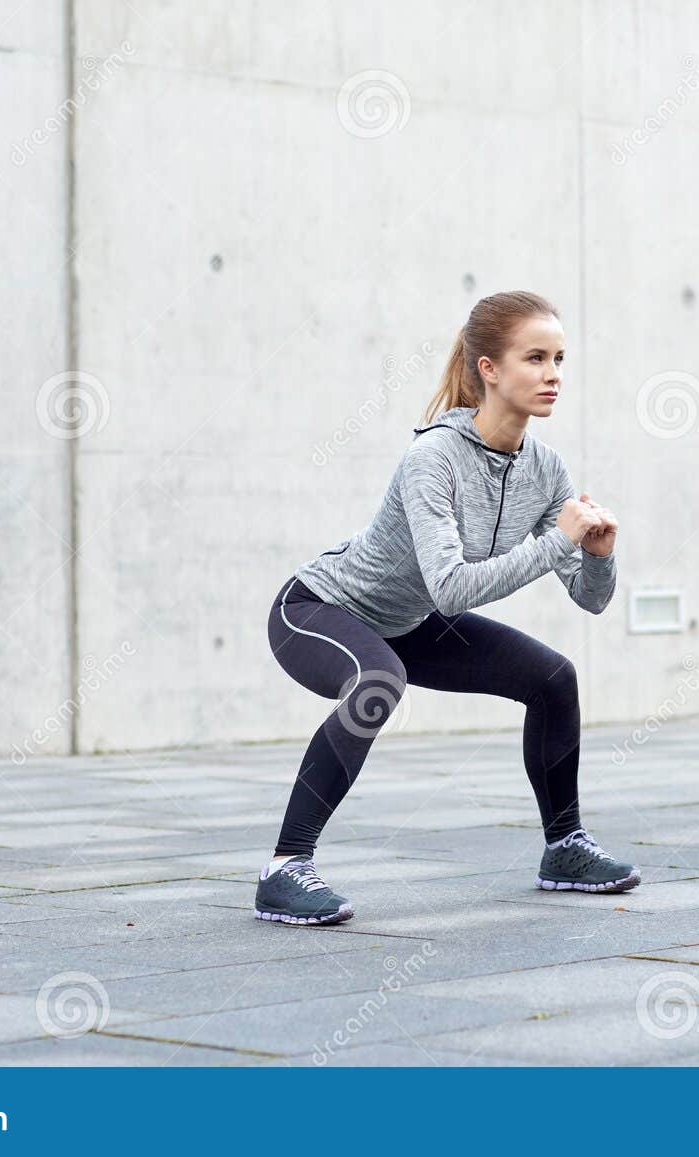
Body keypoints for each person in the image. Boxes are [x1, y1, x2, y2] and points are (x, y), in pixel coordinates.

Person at [256, 290, 641, 925]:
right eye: (535, 358)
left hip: (408, 623)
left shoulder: (545, 469)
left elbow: (591, 600)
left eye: (560, 359)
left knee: (553, 678)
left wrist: (597, 553)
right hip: (320, 609)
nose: (553, 375)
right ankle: (284, 868)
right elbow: (452, 590)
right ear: (489, 368)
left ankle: (564, 848)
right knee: (378, 681)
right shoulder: (432, 458)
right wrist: (555, 542)